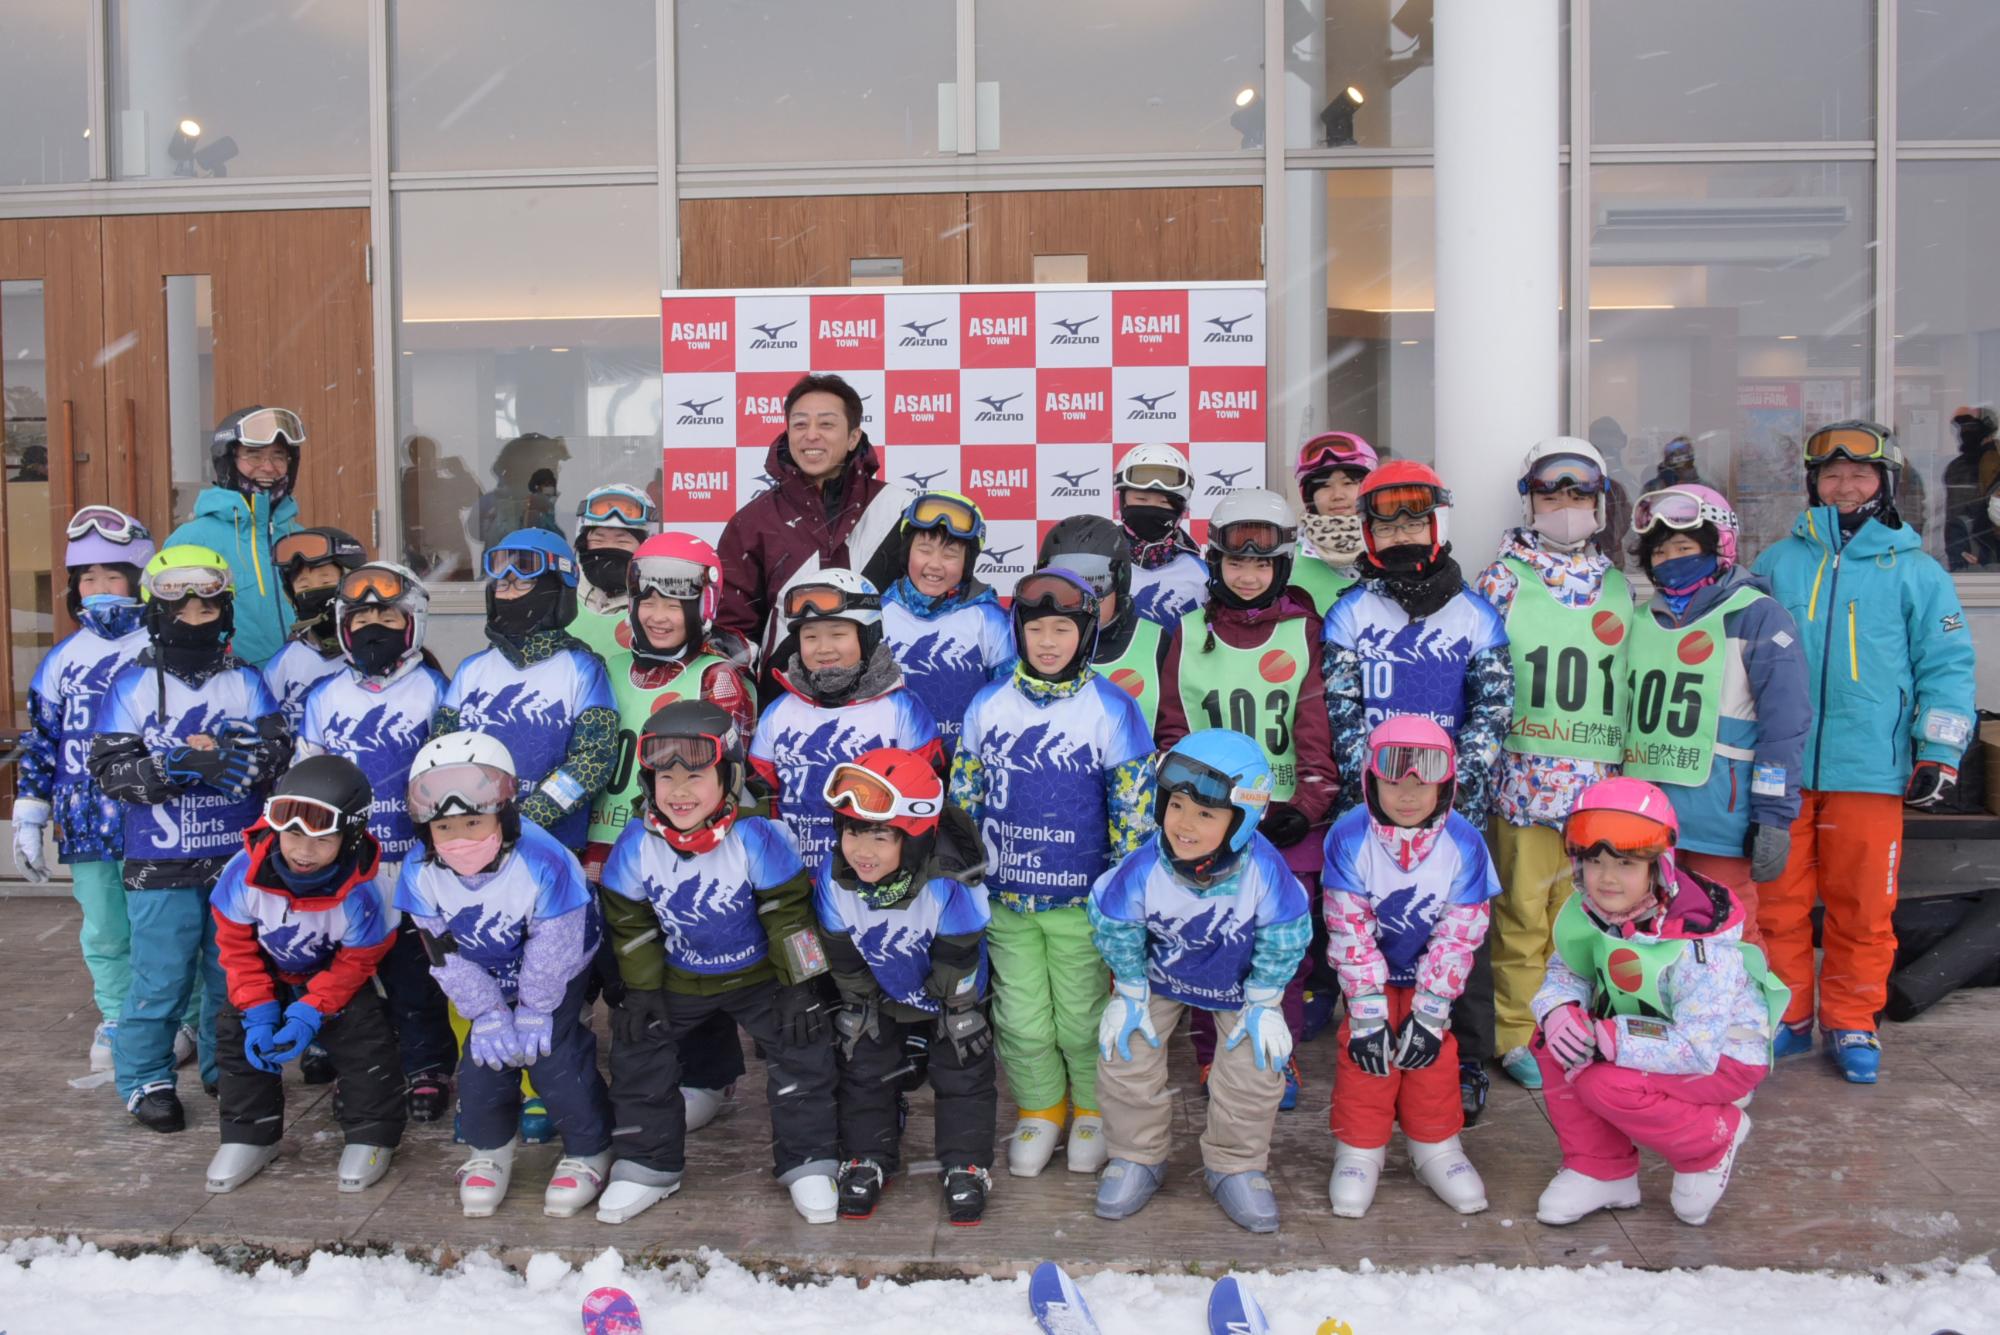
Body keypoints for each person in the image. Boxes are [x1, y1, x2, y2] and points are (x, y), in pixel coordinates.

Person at [1750, 421, 1975, 1083]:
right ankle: (1784, 1016)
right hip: (1781, 764)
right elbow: (1742, 659)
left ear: (1885, 482)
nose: (1845, 485)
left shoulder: (1916, 571)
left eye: (1860, 474)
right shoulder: (1778, 562)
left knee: (1862, 905)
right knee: (1777, 899)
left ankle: (1851, 1019)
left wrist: (1940, 748)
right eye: (1831, 474)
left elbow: (1948, 665)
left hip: (1869, 768)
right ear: (1813, 483)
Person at [596, 702, 842, 1225]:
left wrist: (804, 985)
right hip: (682, 974)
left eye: (695, 776)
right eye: (666, 777)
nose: (679, 791)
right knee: (638, 1048)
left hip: (760, 976)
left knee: (803, 1046)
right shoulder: (638, 843)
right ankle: (646, 1164)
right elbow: (631, 921)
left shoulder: (757, 837)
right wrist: (639, 988)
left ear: (728, 777)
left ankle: (808, 1160)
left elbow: (789, 915)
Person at [1320, 461, 1512, 1121]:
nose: (1401, 532)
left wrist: (1454, 789)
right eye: (1387, 521)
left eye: (1412, 518)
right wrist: (1374, 790)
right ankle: (1367, 1044)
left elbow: (1493, 708)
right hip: (1372, 811)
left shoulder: (1477, 614)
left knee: (1462, 939)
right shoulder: (1349, 613)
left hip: (1452, 810)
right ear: (1368, 532)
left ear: (1436, 523)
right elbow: (1340, 713)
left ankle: (1464, 1059)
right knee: (1364, 930)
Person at [949, 567, 1155, 1179]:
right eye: (1035, 628)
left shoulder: (1111, 707)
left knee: (1083, 1013)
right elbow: (964, 799)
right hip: (1007, 898)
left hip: (1079, 900)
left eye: (1062, 629)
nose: (1047, 642)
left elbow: (1134, 809)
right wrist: (962, 879)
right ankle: (1041, 1108)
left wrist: (1124, 896)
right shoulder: (988, 703)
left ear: (1085, 633)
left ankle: (1093, 1108)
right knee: (1020, 1016)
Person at [88, 546, 290, 1132]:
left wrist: (233, 755)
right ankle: (145, 1076)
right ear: (157, 613)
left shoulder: (246, 679)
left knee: (233, 971)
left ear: (225, 615)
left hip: (236, 858)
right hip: (160, 859)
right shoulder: (130, 684)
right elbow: (109, 771)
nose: (194, 621)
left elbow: (278, 753)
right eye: (181, 610)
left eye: (207, 611)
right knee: (161, 974)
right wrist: (173, 766)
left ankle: (226, 1067)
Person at [1532, 778, 1788, 1229]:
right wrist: (1558, 1012)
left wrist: (1608, 1037)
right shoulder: (1594, 910)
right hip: (1646, 1034)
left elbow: (1697, 1047)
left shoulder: (1697, 942)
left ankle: (1712, 1140)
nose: (1607, 878)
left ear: (1659, 866)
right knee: (1558, 1044)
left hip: (1723, 1057)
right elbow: (1566, 971)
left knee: (1604, 1082)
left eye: (1626, 863)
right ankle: (1600, 1168)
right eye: (1595, 861)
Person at [1154, 488, 1336, 1111]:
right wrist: (1189, 809)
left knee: (1279, 952)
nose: (1249, 575)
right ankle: (1212, 1059)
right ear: (1216, 564)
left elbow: (1317, 729)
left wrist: (1306, 806)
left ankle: (1269, 1060)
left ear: (1282, 566)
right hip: (1210, 823)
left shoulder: (1303, 632)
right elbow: (1173, 731)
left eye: (1263, 564)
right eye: (1236, 563)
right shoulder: (1189, 632)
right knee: (1212, 943)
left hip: (1286, 825)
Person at [1089, 730, 1309, 1233]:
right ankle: (1136, 1154)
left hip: (1238, 985)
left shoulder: (1265, 873)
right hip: (1158, 977)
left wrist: (1265, 999)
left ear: (1242, 821)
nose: (1184, 825)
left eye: (1206, 815)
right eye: (1177, 805)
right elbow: (1115, 920)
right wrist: (1128, 990)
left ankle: (1236, 1163)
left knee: (1256, 1063)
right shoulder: (1146, 867)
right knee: (1126, 1049)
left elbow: (1287, 932)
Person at [395, 732, 614, 1218]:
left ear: (504, 814)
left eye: (474, 822)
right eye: (445, 828)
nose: (461, 839)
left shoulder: (542, 859)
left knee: (551, 1052)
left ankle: (587, 1146)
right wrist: (486, 1010)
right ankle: (489, 1147)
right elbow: (441, 951)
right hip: (483, 971)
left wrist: (535, 1005)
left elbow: (555, 940)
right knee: (485, 1056)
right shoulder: (419, 872)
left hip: (556, 966)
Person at [583, 531, 756, 1134]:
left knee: (684, 959)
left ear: (702, 607)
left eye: (673, 604)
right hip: (602, 843)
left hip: (679, 847)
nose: (658, 617)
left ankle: (707, 1072)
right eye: (647, 601)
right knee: (618, 967)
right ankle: (626, 1072)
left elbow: (730, 778)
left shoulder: (717, 679)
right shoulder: (605, 668)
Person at [1471, 438, 1630, 1093]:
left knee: (1587, 914)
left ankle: (1575, 1023)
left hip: (1596, 788)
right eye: (1551, 494)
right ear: (1531, 500)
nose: (1565, 507)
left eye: (1579, 495)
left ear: (1598, 503)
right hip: (1527, 783)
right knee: (1523, 914)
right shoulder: (1502, 578)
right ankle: (1515, 1031)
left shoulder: (1617, 582)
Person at [295, 561, 457, 1121]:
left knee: (416, 977)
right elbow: (307, 773)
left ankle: (427, 1065)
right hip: (348, 868)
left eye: (386, 614)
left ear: (412, 621)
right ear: (340, 624)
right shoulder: (323, 695)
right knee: (350, 977)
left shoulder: (436, 688)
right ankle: (359, 1068)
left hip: (413, 862)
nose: (373, 627)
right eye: (360, 616)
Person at [1322, 716, 1498, 1220]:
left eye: (1424, 782)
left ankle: (1436, 1144)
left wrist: (1431, 1010)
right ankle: (1359, 1147)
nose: (1407, 794)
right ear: (1370, 780)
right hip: (1370, 973)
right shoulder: (1348, 837)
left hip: (1430, 974)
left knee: (1433, 1054)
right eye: (1393, 779)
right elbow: (1348, 926)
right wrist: (1368, 1011)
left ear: (1446, 784)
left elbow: (1461, 932)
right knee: (1365, 1051)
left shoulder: (1464, 843)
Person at [204, 756, 405, 1195]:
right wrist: (258, 1009)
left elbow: (357, 962)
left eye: (322, 839)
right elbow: (236, 949)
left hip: (337, 975)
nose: (303, 852)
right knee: (235, 1030)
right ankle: (248, 1133)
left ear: (349, 836)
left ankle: (371, 1132)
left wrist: (311, 1010)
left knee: (364, 1036)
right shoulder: (244, 874)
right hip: (269, 968)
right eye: (293, 834)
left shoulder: (364, 894)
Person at [814, 748, 996, 1225]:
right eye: (853, 831)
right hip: (880, 987)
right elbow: (841, 949)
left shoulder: (949, 883)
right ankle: (868, 1154)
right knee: (863, 1060)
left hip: (948, 991)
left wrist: (955, 1007)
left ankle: (965, 1161)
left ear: (914, 837)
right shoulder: (835, 883)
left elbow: (959, 949)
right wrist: (858, 1000)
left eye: (880, 835)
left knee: (963, 1062)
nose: (862, 850)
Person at [1626, 486, 1810, 950]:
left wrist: (1773, 815)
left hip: (1720, 819)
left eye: (1685, 547)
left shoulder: (1759, 618)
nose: (1671, 559)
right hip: (1651, 818)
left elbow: (1784, 727)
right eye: (1661, 551)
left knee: (1728, 933)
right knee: (1654, 935)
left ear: (1719, 546)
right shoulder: (1643, 619)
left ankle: (1745, 1025)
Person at [15, 507, 156, 1071]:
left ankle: (176, 1016)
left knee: (164, 925)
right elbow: (42, 739)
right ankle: (118, 1014)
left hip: (154, 819)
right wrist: (30, 814)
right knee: (104, 926)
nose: (99, 589)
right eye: (87, 578)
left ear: (139, 578)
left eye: (112, 576)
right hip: (84, 820)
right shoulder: (61, 660)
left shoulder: (162, 649)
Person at [433, 529, 619, 852]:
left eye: (523, 584)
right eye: (503, 584)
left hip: (552, 848)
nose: (510, 593)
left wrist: (526, 817)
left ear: (555, 590)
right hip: (474, 846)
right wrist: (473, 819)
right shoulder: (471, 670)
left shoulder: (584, 669)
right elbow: (440, 750)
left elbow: (594, 758)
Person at [748, 569, 942, 867]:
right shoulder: (778, 713)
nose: (824, 649)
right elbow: (760, 799)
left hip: (871, 875)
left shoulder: (901, 710)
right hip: (796, 880)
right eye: (810, 636)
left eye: (838, 634)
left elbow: (925, 798)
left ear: (868, 635)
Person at [717, 374, 906, 660]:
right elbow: (733, 632)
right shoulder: (752, 523)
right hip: (785, 696)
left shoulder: (899, 508)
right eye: (800, 424)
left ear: (854, 436)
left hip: (885, 693)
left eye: (827, 424)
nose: (811, 435)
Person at [167, 406, 309, 668]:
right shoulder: (193, 540)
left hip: (300, 687)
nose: (268, 467)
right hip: (229, 690)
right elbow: (168, 623)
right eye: (253, 456)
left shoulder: (301, 540)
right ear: (228, 460)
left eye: (278, 456)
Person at [879, 491, 1015, 760]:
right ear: (907, 552)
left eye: (950, 554)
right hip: (893, 771)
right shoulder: (878, 614)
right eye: (924, 550)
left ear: (967, 562)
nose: (935, 564)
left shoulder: (990, 620)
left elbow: (1009, 703)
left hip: (967, 768)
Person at [1036, 516, 1168, 731]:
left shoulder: (1155, 643)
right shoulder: (1029, 640)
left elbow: (1174, 728)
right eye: (1063, 585)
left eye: (1096, 586)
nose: (1079, 601)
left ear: (1120, 584)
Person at [263, 527, 368, 733]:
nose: (314, 591)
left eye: (326, 582)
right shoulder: (284, 664)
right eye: (304, 587)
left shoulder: (376, 654)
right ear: (291, 595)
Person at [1115, 445, 1208, 626]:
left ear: (1181, 508)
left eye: (1164, 502)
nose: (1152, 508)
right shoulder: (1100, 560)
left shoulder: (1203, 571)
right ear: (1122, 500)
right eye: (1141, 499)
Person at [1289, 431, 1378, 615]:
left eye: (1348, 483)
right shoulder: (1288, 557)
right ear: (1309, 496)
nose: (1338, 495)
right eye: (1325, 486)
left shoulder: (1390, 547)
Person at [567, 484, 658, 662]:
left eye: (622, 541)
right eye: (599, 539)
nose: (609, 548)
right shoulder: (563, 598)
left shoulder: (657, 607)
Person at [1943, 407, 1999, 571]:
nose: (1965, 432)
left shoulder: (1995, 462)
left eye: (1971, 427)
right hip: (1965, 548)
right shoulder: (1957, 468)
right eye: (1963, 427)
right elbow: (1954, 515)